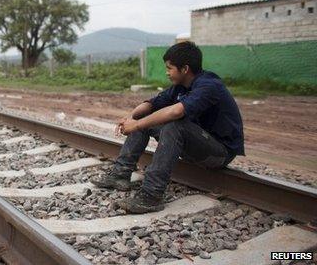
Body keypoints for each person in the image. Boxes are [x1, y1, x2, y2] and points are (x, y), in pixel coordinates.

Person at [92, 41, 244, 213]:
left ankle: (151, 196)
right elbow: (151, 104)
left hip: (219, 153)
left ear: (185, 69)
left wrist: (136, 125)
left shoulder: (209, 85)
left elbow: (175, 112)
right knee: (146, 120)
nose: (167, 72)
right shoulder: (180, 87)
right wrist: (131, 118)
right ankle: (120, 174)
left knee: (175, 125)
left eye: (169, 68)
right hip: (197, 144)